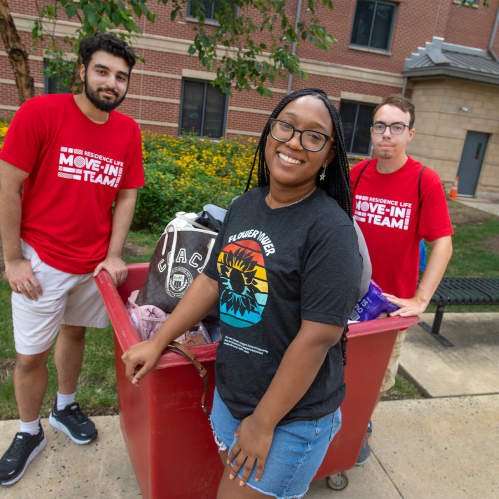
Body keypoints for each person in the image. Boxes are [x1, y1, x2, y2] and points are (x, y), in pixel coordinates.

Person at [122, 88, 362, 499]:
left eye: (313, 136)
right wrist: (159, 340)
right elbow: (211, 281)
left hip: (289, 417)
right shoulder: (245, 205)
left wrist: (263, 422)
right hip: (232, 398)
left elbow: (319, 336)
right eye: (285, 126)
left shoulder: (331, 231)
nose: (293, 142)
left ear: (329, 154)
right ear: (269, 132)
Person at [0, 33, 145, 486]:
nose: (111, 83)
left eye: (121, 77)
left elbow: (126, 195)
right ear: (81, 69)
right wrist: (12, 260)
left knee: (76, 332)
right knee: (28, 357)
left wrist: (115, 253)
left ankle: (64, 407)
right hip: (40, 261)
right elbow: (7, 187)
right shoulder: (40, 113)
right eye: (102, 71)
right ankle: (28, 433)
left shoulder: (127, 131)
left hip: (93, 264)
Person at [350, 94, 453, 465]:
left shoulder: (425, 180)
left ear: (410, 133)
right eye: (380, 126)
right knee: (336, 368)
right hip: (347, 298)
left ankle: (361, 426)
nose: (386, 135)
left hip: (389, 308)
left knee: (373, 379)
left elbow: (442, 244)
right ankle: (336, 429)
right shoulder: (357, 175)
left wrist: (421, 299)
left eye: (396, 127)